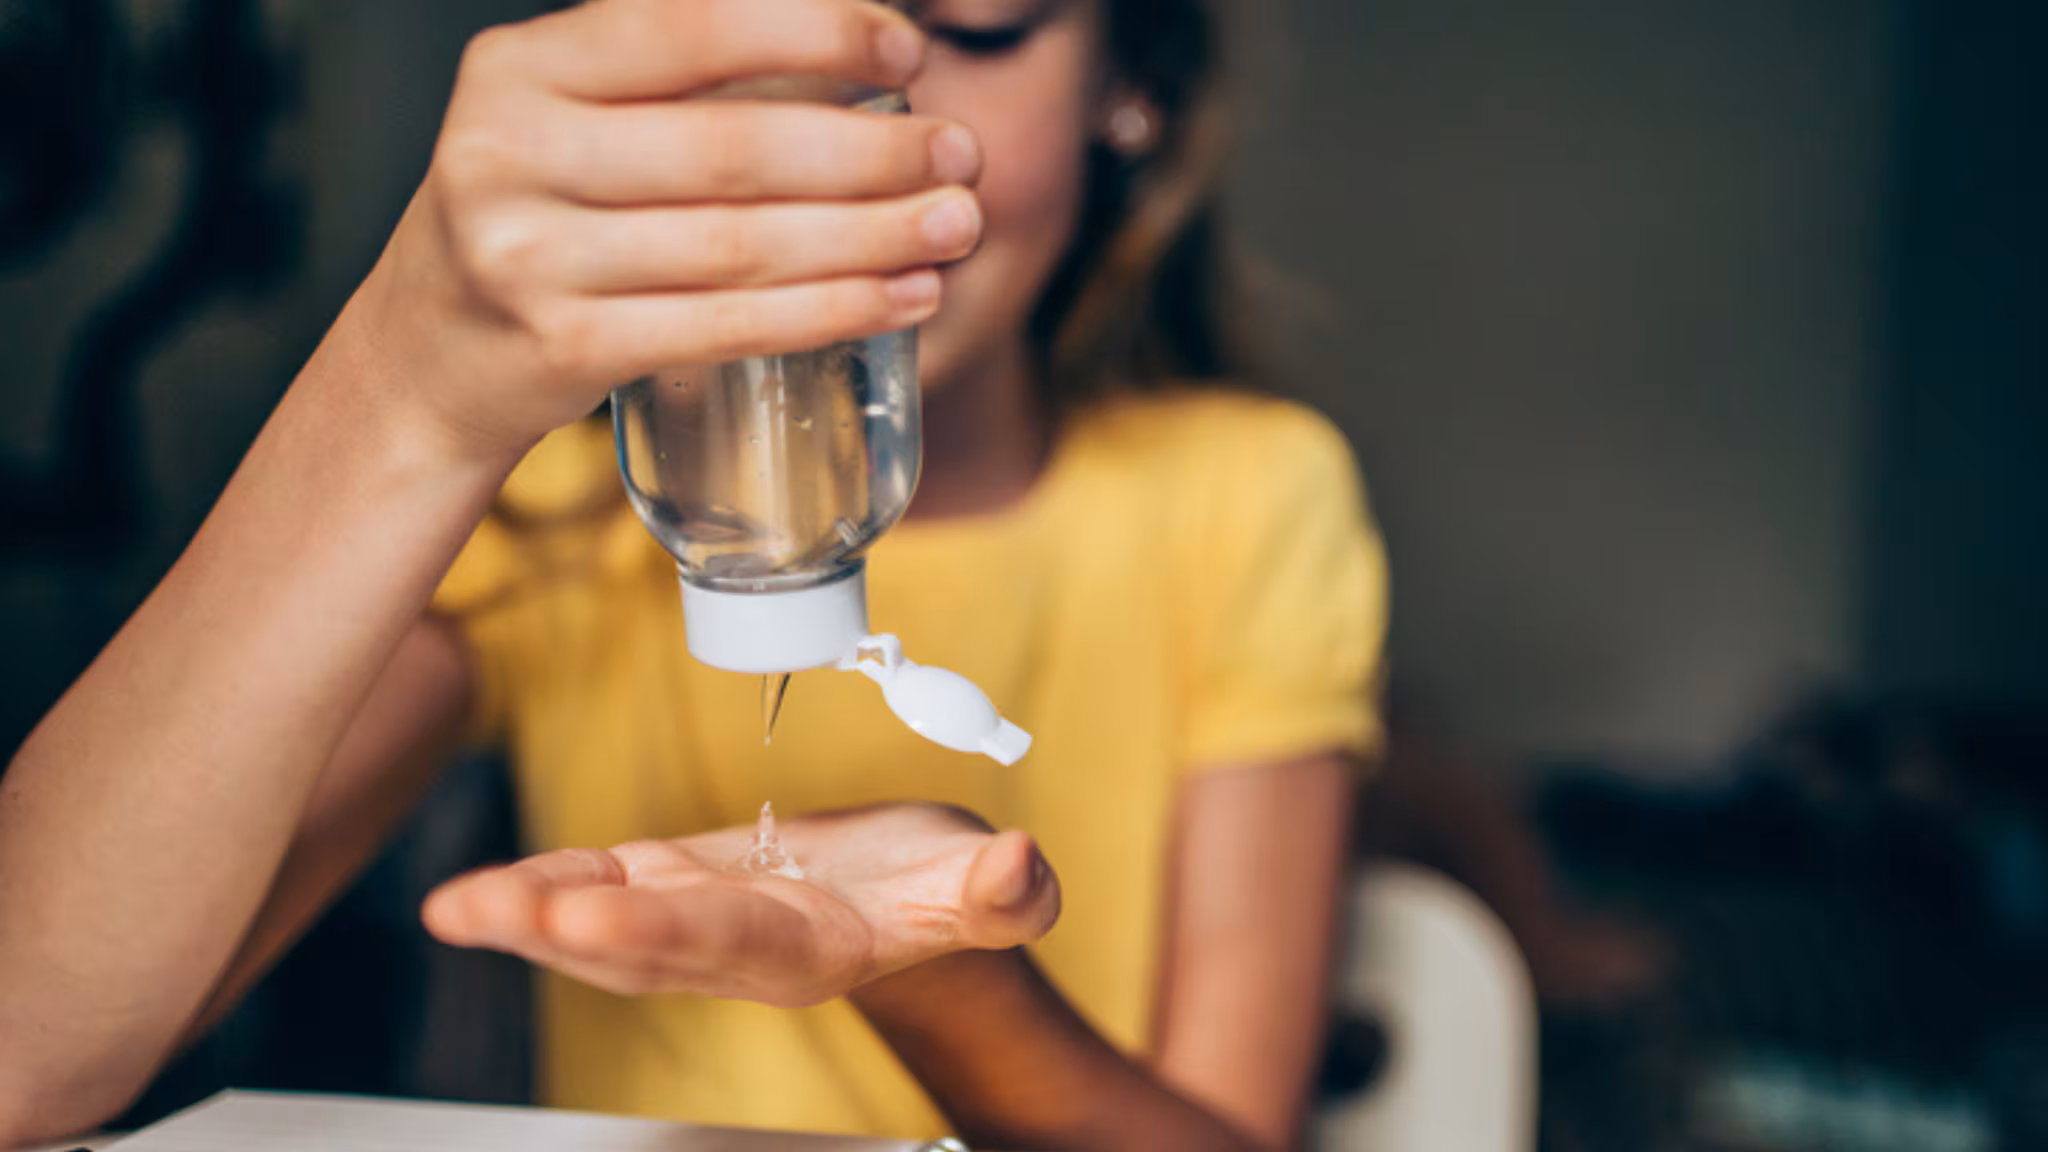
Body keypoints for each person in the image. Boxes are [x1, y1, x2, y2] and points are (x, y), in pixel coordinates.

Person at [0, 0, 1387, 1148]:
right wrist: (406, 391)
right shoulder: (554, 520)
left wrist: (942, 974)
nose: (842, 155)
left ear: (1133, 84)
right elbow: (23, 1053)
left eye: (968, 27)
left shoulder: (1245, 503)